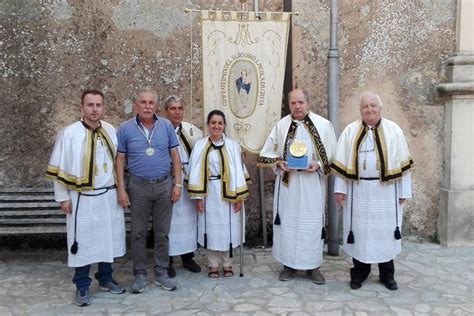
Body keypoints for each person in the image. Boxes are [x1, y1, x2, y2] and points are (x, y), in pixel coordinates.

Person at [46, 89, 126, 306]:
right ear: (82, 108)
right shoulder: (69, 134)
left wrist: (121, 189)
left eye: (98, 105)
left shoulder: (110, 130)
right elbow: (59, 168)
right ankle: (82, 285)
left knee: (106, 240)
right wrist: (63, 197)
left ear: (103, 107)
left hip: (108, 196)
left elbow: (118, 162)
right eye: (90, 105)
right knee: (82, 242)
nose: (94, 109)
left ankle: (106, 278)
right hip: (82, 198)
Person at [332, 91, 413, 291]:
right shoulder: (350, 131)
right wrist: (340, 190)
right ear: (360, 110)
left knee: (384, 234)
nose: (369, 109)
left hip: (386, 192)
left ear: (380, 108)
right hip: (358, 191)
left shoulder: (394, 131)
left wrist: (404, 192)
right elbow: (342, 167)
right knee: (360, 233)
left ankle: (387, 275)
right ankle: (359, 273)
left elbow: (404, 167)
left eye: (372, 105)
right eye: (365, 106)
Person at [258, 88, 337, 284]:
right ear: (289, 105)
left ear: (308, 103)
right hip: (289, 185)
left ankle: (314, 267)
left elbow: (334, 154)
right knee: (289, 223)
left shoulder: (323, 125)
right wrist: (279, 162)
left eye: (301, 102)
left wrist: (317, 164)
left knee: (311, 224)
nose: (297, 106)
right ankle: (289, 265)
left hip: (312, 185)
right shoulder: (282, 126)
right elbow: (266, 152)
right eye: (293, 103)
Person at [115, 87, 182, 293]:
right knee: (137, 233)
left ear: (155, 106)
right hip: (138, 187)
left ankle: (161, 271)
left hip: (163, 185)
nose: (147, 106)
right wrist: (121, 189)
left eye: (151, 103)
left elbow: (175, 156)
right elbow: (120, 160)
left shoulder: (166, 126)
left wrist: (177, 184)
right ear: (136, 105)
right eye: (143, 102)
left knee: (162, 233)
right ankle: (140, 274)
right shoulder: (125, 129)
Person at [187, 110, 250, 278]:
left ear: (224, 126)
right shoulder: (200, 146)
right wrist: (198, 198)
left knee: (228, 229)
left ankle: (228, 263)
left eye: (220, 123)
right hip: (209, 193)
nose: (216, 126)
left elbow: (238, 171)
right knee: (211, 229)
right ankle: (213, 264)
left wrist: (238, 197)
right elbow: (194, 171)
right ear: (208, 125)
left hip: (229, 194)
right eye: (213, 123)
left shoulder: (233, 146)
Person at [163, 95, 203, 277]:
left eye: (180, 108)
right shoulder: (160, 130)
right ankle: (167, 260)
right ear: (166, 111)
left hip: (188, 181)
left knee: (188, 221)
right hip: (167, 180)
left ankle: (188, 257)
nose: (177, 112)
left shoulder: (192, 131)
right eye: (173, 108)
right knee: (168, 222)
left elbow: (201, 152)